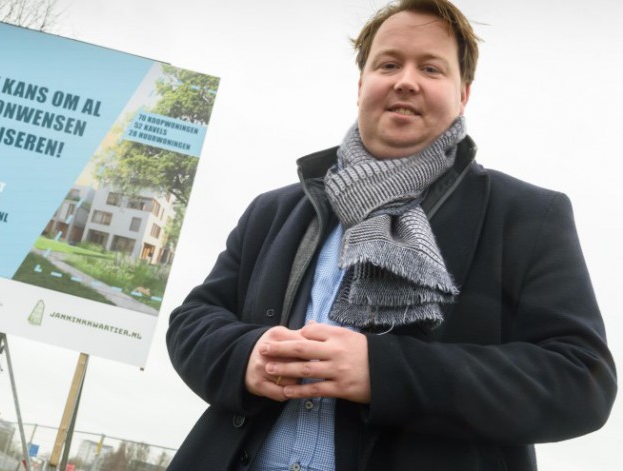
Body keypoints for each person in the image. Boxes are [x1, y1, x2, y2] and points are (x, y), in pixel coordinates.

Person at [165, 0, 617, 469]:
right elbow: (192, 321)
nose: (406, 79)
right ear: (362, 84)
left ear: (463, 95)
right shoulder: (274, 211)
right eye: (388, 63)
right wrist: (246, 357)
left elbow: (581, 380)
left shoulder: (527, 216)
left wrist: (383, 372)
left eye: (430, 68)